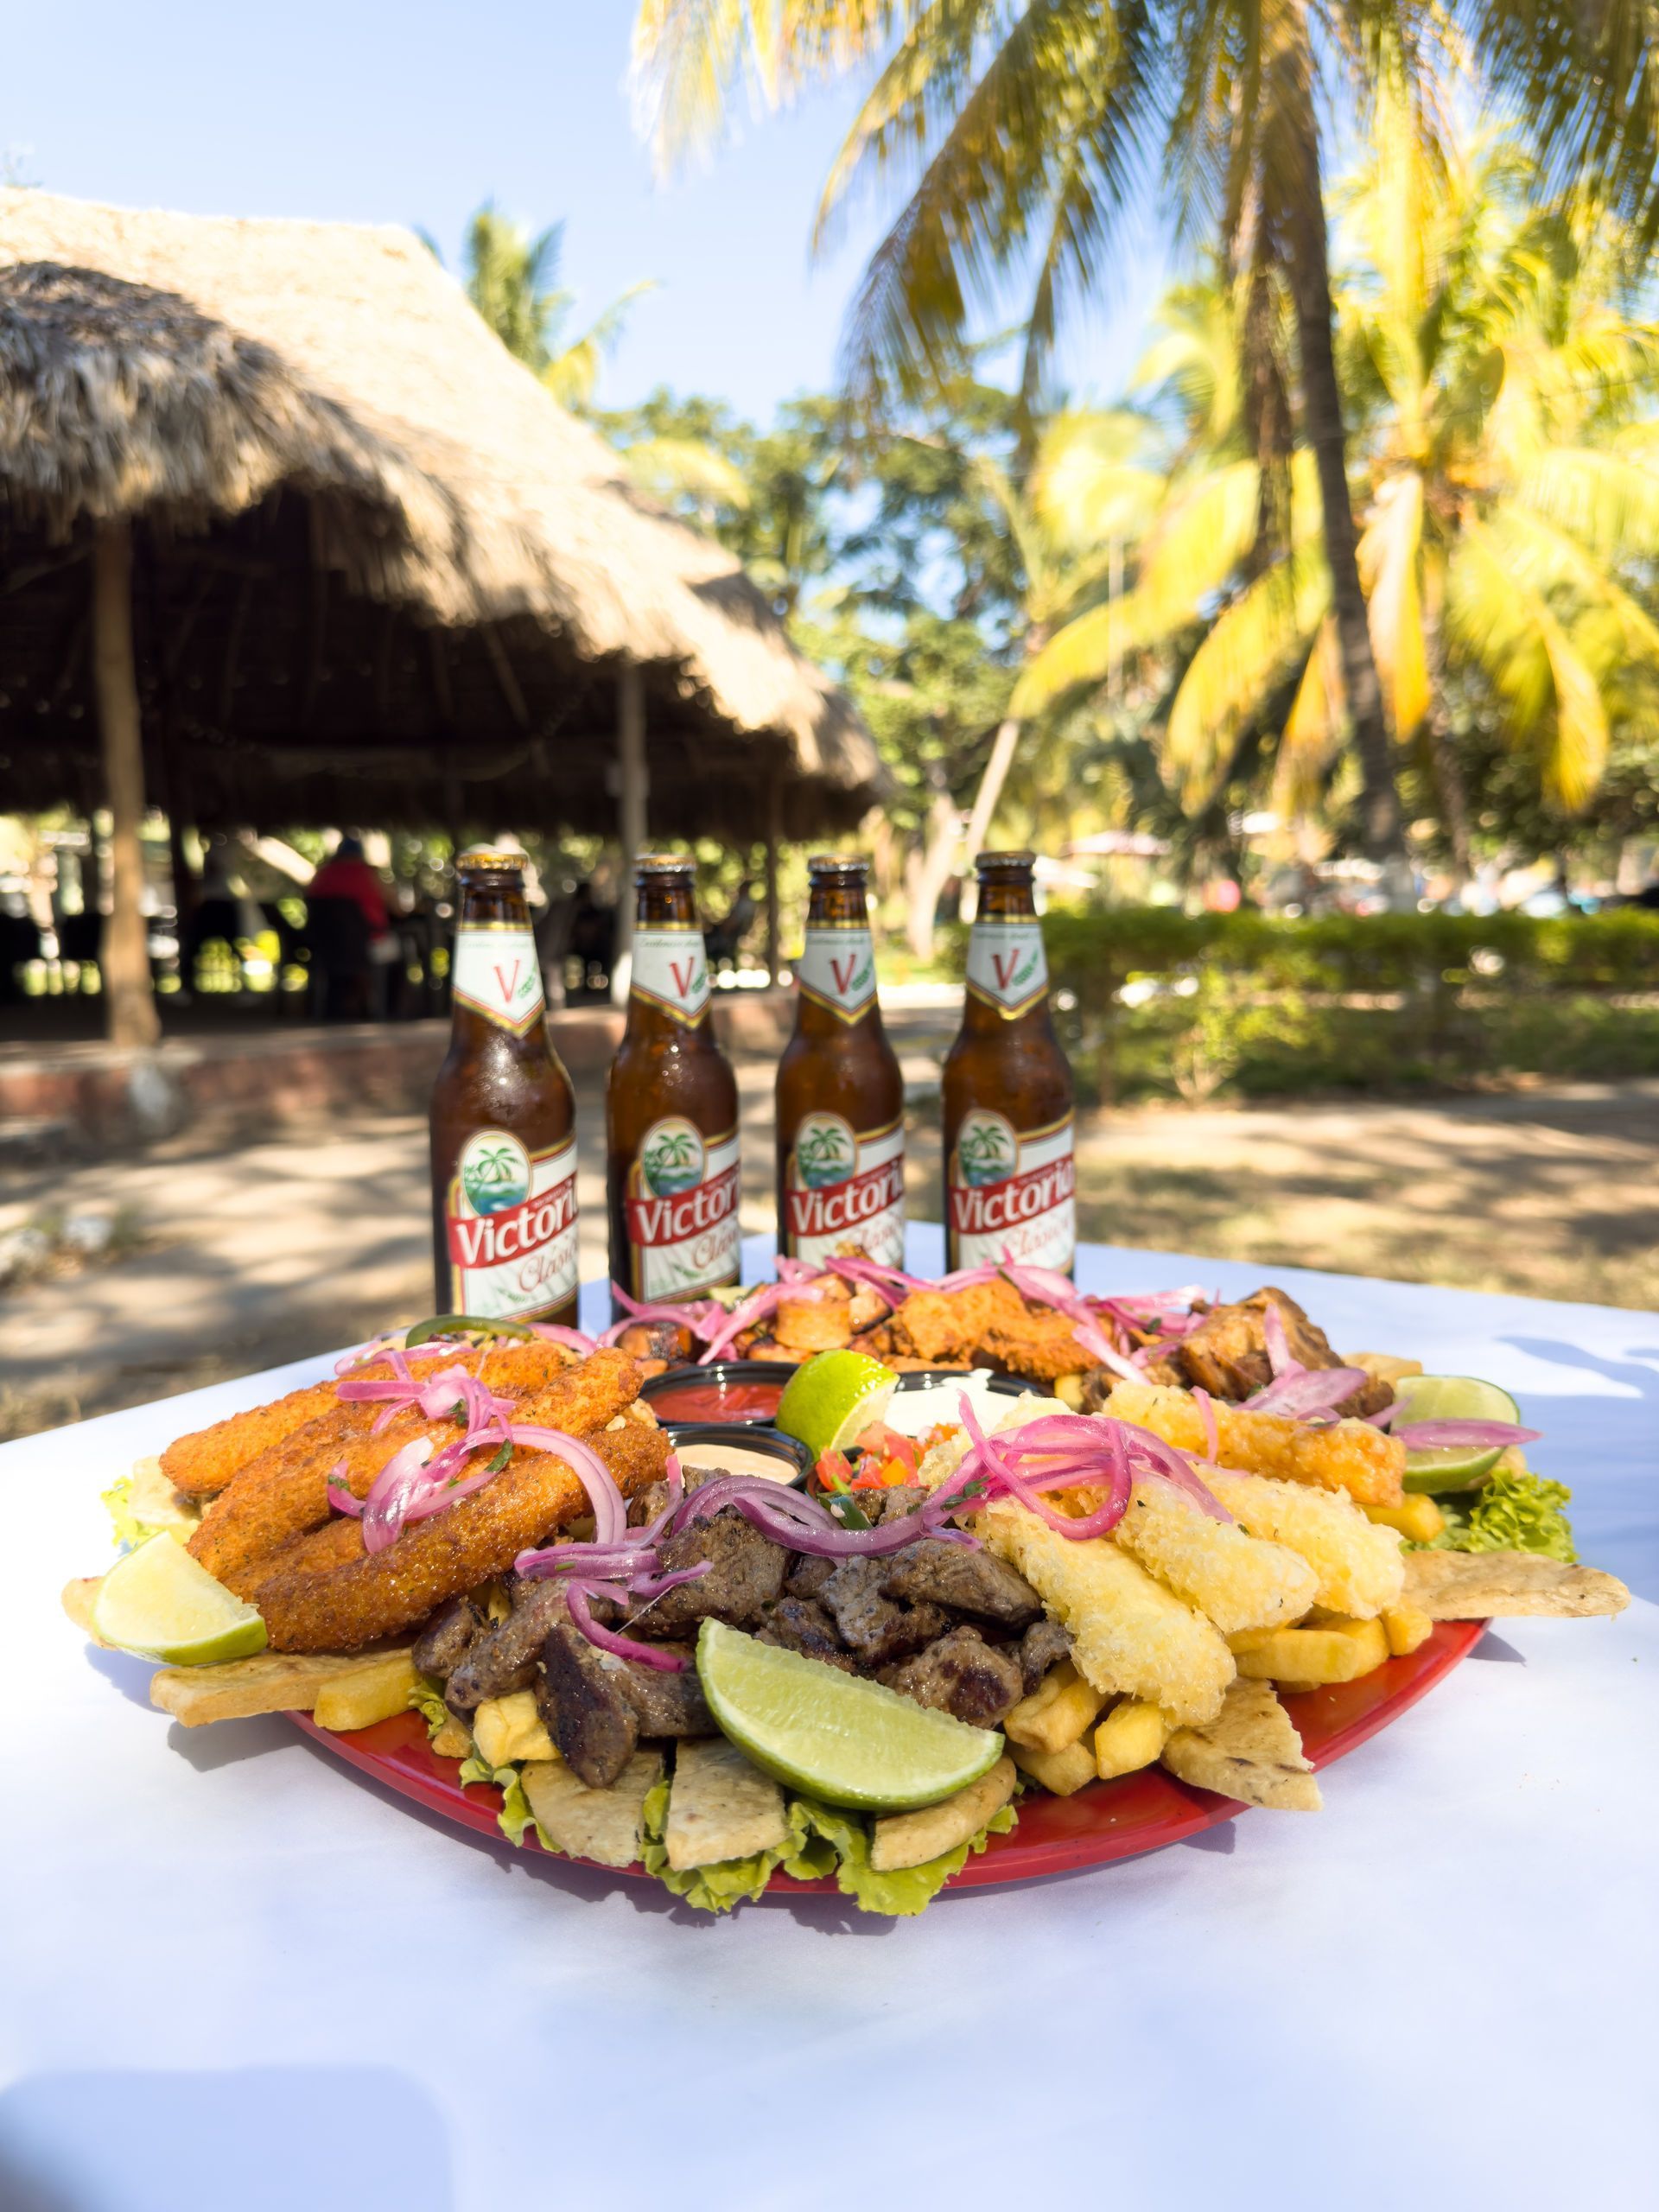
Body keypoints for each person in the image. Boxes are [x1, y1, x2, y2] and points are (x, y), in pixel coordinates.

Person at [308, 836, 391, 941]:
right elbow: (397, 909)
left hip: (324, 944)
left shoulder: (321, 874)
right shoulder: (369, 874)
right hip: (369, 943)